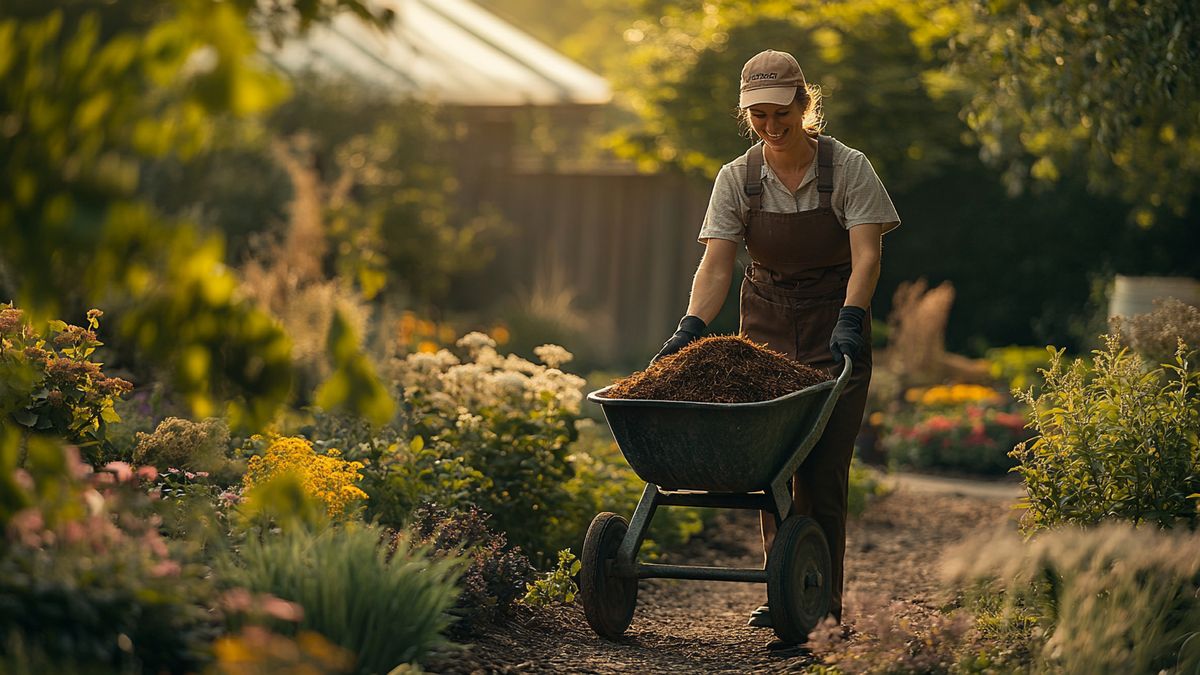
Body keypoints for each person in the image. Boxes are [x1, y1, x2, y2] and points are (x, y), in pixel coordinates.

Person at [653, 49, 900, 632]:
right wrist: (691, 325)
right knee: (772, 462)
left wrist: (852, 318)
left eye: (781, 111)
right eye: (757, 114)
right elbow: (717, 264)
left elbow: (868, 252)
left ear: (804, 104)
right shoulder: (737, 177)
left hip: (833, 324)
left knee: (821, 470)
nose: (770, 125)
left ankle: (822, 601)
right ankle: (784, 590)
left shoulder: (848, 169)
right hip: (763, 325)